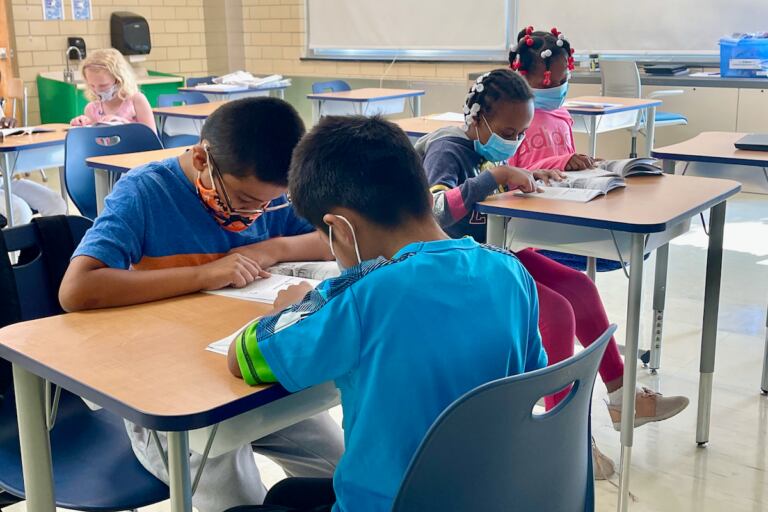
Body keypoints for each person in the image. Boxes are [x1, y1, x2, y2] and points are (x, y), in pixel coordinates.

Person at [227, 115, 546, 511]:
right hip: (485, 493)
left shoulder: (362, 295)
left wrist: (296, 310)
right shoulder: (511, 272)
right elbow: (534, 371)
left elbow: (244, 357)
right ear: (423, 193)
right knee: (287, 495)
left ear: (339, 229)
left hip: (392, 504)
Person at [60, 97, 342, 512]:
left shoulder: (270, 195)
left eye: (270, 203)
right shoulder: (145, 191)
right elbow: (76, 290)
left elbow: (330, 237)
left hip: (251, 381)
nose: (256, 213)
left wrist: (272, 247)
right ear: (201, 158)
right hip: (168, 393)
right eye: (245, 201)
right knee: (237, 502)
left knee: (339, 473)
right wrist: (206, 274)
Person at [417, 68, 688, 479]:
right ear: (476, 118)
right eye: (509, 130)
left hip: (492, 250)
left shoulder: (487, 148)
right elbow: (436, 211)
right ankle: (561, 436)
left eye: (521, 132)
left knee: (578, 286)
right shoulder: (448, 149)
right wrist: (496, 177)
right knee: (555, 312)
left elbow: (487, 198)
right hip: (455, 265)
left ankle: (622, 398)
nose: (514, 140)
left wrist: (526, 175)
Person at [70, 48, 156, 131]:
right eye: (92, 85)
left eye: (103, 85)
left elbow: (153, 138)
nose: (97, 90)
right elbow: (93, 140)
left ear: (119, 80)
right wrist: (82, 125)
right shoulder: (92, 109)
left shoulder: (136, 101)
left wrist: (122, 123)